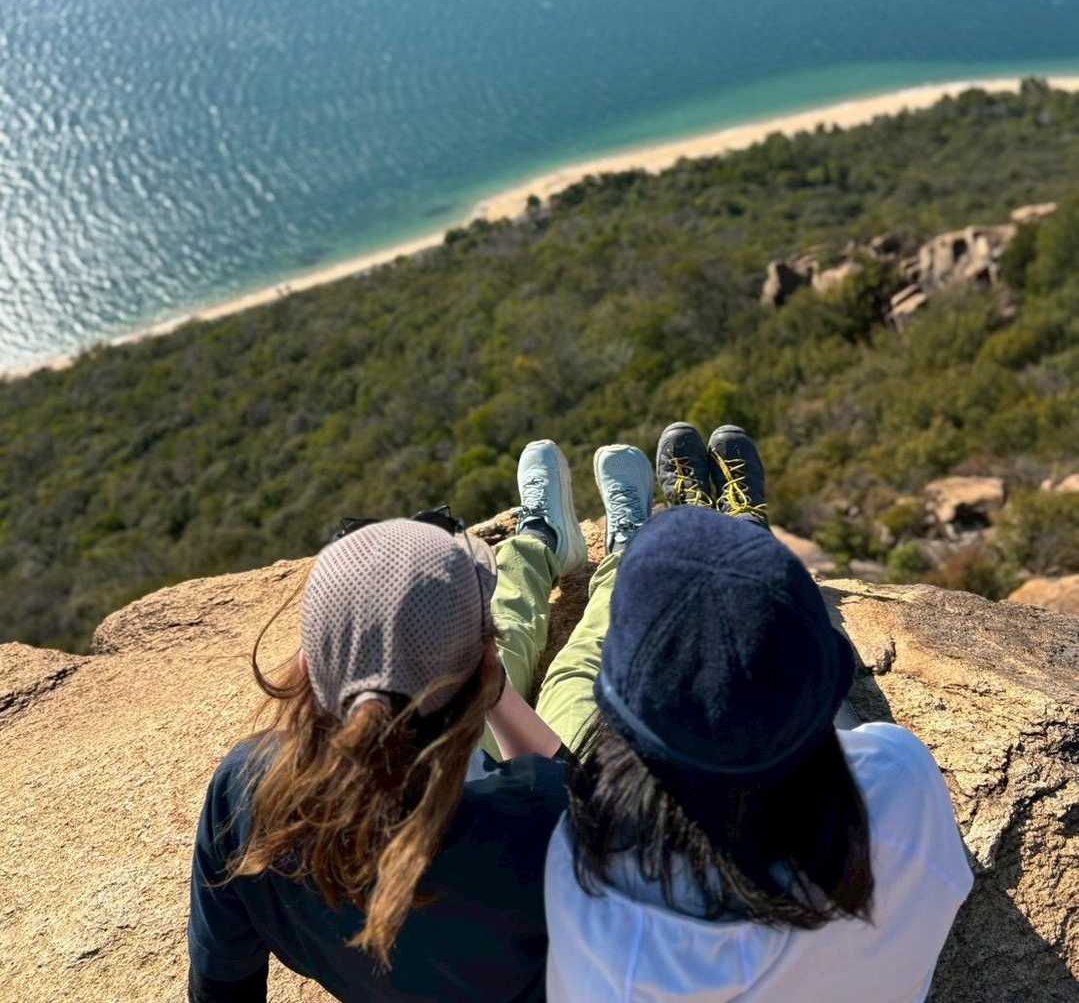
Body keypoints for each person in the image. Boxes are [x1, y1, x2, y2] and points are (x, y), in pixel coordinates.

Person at [186, 434, 652, 1003]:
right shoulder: (539, 817)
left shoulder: (245, 788)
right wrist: (498, 693)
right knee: (577, 680)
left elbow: (221, 989)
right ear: (483, 670)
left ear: (308, 666)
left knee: (480, 641)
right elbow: (599, 827)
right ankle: (623, 557)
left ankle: (542, 539)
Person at [545, 421, 975, 1003]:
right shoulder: (902, 778)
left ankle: (642, 547)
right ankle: (748, 539)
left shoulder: (599, 891)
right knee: (776, 671)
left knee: (569, 683)